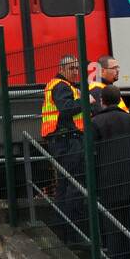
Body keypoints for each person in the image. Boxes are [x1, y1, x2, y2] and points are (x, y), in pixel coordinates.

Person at [85, 84, 130, 259]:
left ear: (102, 101)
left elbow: (90, 155)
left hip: (107, 180)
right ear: (120, 99)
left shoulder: (95, 123)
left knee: (112, 226)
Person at [41, 54, 86, 241]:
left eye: (77, 68)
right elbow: (67, 109)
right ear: (61, 69)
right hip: (65, 140)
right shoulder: (61, 86)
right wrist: (86, 102)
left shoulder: (64, 86)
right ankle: (70, 231)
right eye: (71, 68)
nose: (76, 72)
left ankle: (64, 230)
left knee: (66, 185)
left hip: (63, 139)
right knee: (73, 185)